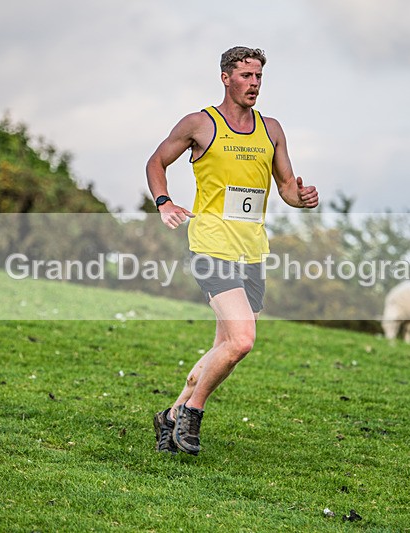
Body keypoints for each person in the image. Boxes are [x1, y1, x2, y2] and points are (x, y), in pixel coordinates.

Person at [146, 46, 319, 456]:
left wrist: (302, 196)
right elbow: (156, 162)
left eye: (259, 76)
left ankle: (169, 416)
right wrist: (164, 201)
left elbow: (287, 189)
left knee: (225, 346)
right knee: (242, 341)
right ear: (226, 78)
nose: (254, 84)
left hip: (253, 251)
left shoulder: (271, 129)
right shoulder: (200, 124)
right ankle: (192, 411)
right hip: (211, 243)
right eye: (246, 76)